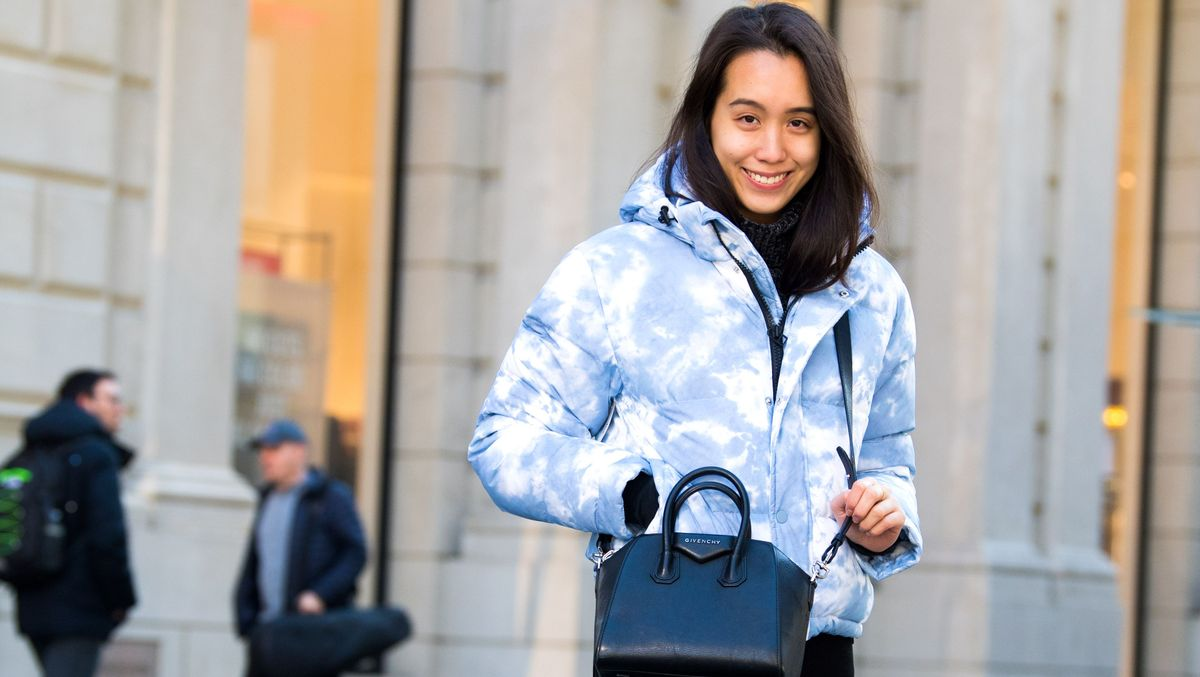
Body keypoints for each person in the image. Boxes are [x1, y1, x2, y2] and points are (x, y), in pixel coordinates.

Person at [468, 4, 921, 674]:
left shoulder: (871, 292)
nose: (772, 148)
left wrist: (885, 513)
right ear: (706, 119)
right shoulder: (616, 269)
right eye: (748, 117)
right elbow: (503, 440)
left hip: (817, 644)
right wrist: (630, 490)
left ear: (826, 135)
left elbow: (887, 459)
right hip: (667, 636)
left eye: (798, 122)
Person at [11, 369, 137, 677]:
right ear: (85, 401)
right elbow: (108, 537)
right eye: (112, 399)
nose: (120, 409)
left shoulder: (28, 453)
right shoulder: (96, 454)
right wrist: (121, 600)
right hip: (80, 608)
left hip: (32, 605)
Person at [234, 418, 367, 676]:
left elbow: (355, 552)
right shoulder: (266, 499)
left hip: (308, 636)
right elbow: (254, 563)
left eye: (273, 449)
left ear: (299, 451)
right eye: (262, 451)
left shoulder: (330, 497)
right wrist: (246, 619)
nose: (265, 458)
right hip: (267, 635)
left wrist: (319, 594)